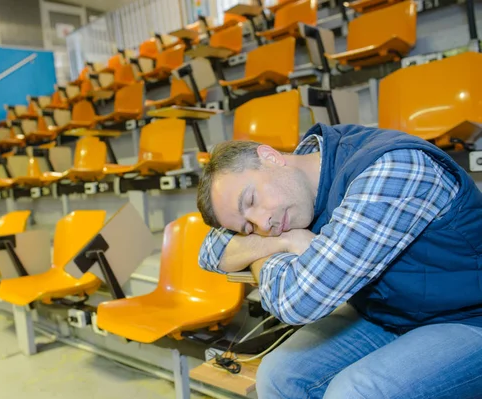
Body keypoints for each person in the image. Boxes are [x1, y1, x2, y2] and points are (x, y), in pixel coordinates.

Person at [196, 123, 482, 398]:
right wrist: (282, 241)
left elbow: (296, 303)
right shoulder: (297, 179)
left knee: (355, 392)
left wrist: (256, 252)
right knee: (278, 376)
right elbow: (209, 252)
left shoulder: (392, 168)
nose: (263, 223)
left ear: (270, 157)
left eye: (251, 201)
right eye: (247, 228)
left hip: (467, 318)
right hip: (391, 312)